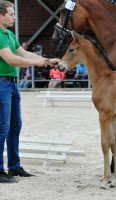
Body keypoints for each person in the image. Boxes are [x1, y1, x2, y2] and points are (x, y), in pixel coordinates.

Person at [0, 1, 59, 183]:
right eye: (11, 14)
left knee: (15, 127)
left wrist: (46, 60)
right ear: (0, 15)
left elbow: (23, 54)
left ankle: (14, 166)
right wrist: (37, 63)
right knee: (3, 128)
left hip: (12, 85)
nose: (14, 17)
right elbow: (11, 59)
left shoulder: (9, 34)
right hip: (2, 84)